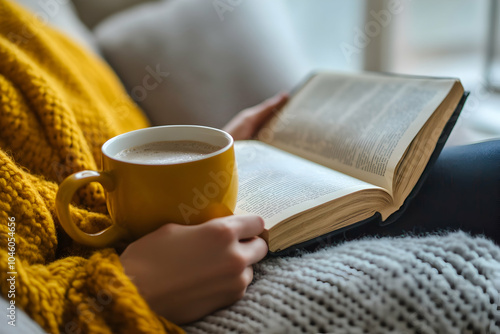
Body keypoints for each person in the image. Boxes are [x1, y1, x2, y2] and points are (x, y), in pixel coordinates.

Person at [1, 1, 499, 333]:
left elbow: (110, 155)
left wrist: (222, 157)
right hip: (161, 290)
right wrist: (125, 288)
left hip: (202, 226)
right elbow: (13, 290)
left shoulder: (23, 20)